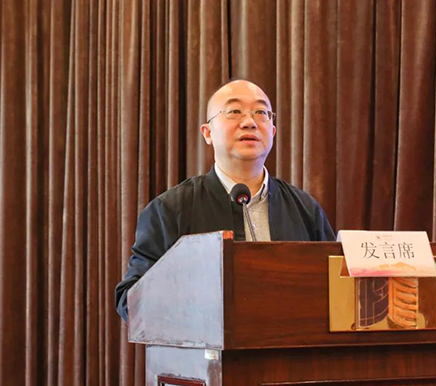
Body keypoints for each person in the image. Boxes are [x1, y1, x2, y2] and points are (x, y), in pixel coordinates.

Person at [115, 79, 335, 321]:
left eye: (261, 112)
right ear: (208, 133)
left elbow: (334, 287)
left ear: (272, 132)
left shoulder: (304, 208)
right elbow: (131, 302)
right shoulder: (170, 209)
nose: (249, 122)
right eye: (234, 111)